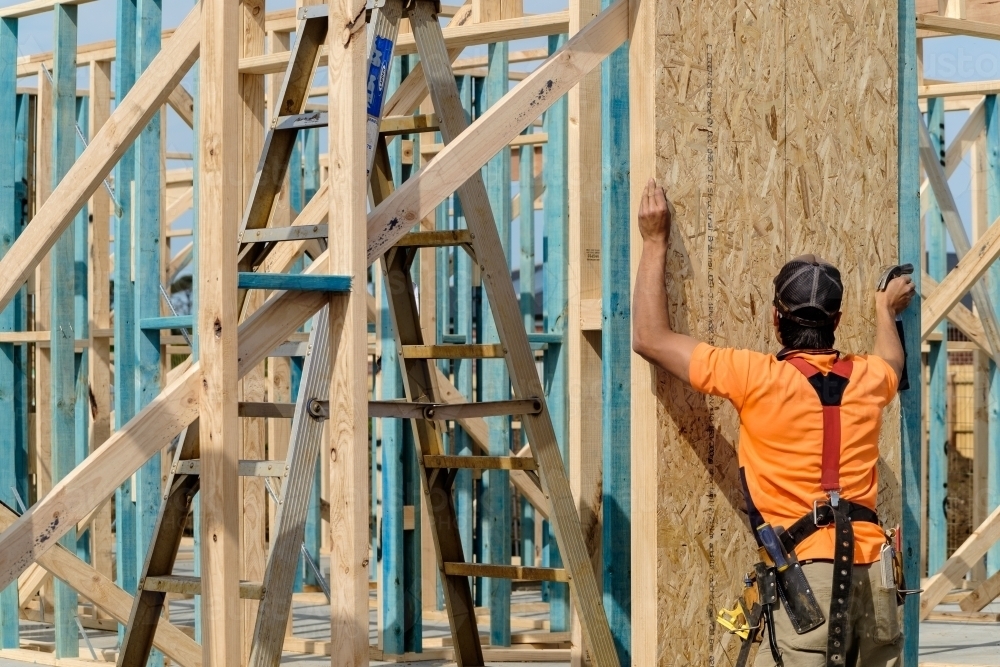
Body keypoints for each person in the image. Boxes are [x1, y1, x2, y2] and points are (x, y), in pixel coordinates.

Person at [631, 178, 915, 667]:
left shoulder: (756, 377)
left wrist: (655, 240)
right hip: (878, 581)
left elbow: (650, 338)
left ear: (775, 320)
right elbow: (892, 360)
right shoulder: (869, 378)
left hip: (810, 581)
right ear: (837, 318)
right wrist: (884, 309)